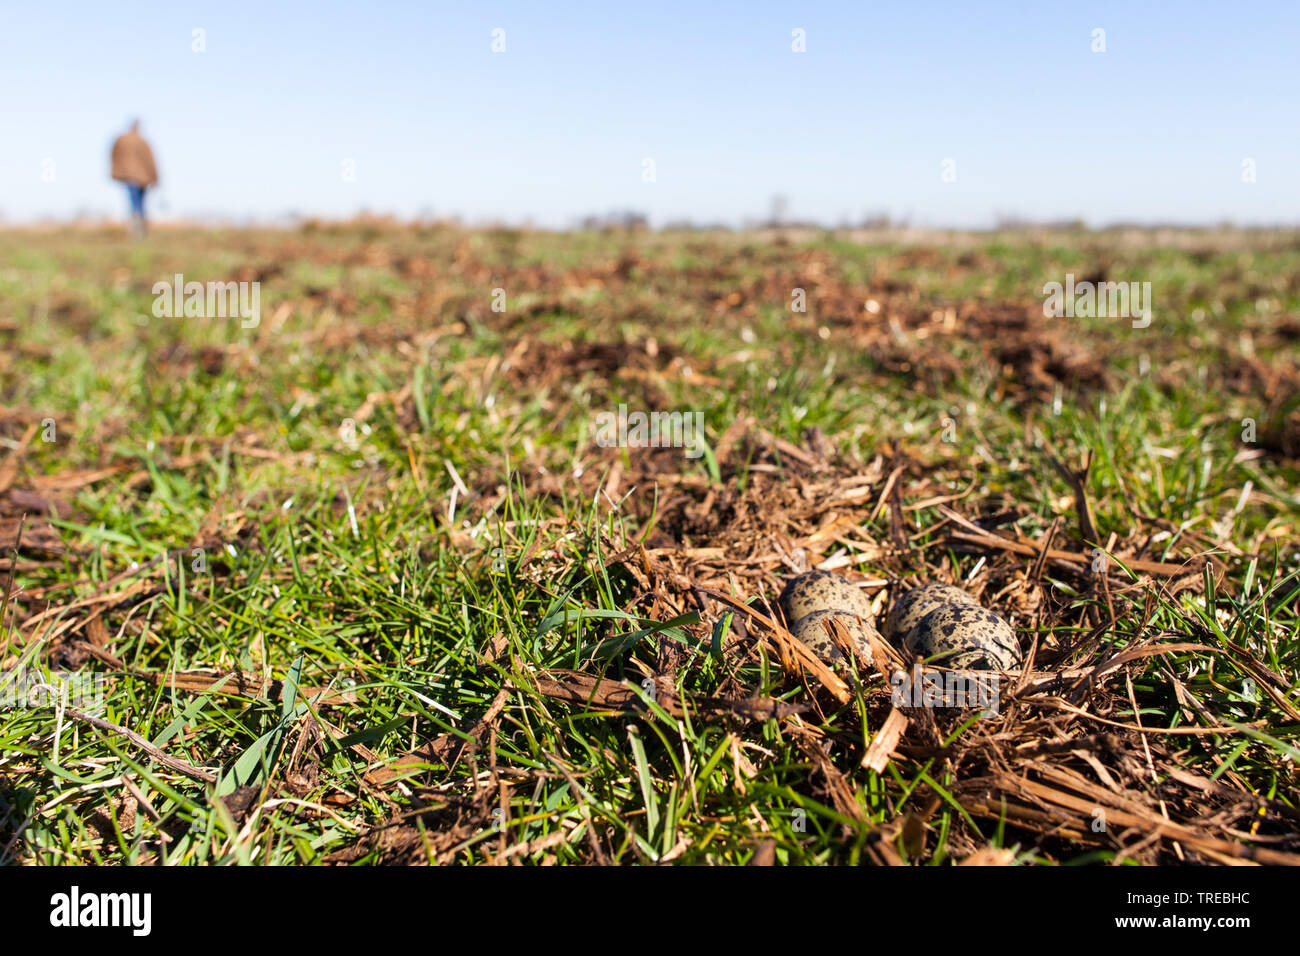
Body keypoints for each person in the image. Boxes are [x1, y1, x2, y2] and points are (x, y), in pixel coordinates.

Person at [110, 120, 159, 237]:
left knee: (134, 203)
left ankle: (136, 230)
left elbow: (114, 156)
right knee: (140, 203)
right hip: (143, 179)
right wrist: (155, 178)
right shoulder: (143, 142)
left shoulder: (122, 140)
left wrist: (116, 172)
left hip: (128, 176)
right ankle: (140, 230)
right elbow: (150, 161)